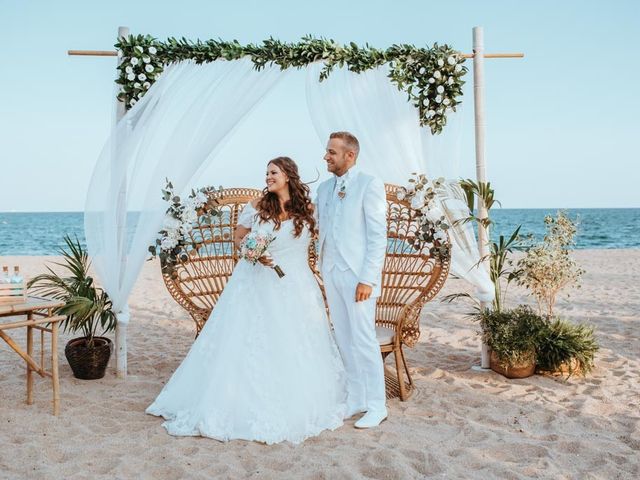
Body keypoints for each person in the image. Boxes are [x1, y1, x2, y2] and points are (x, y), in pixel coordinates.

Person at [147, 157, 347, 444]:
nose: (268, 177)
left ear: (288, 175)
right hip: (256, 282)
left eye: (273, 172)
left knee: (295, 341)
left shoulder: (308, 210)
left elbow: (326, 241)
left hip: (297, 285)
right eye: (266, 172)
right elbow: (239, 239)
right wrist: (252, 251)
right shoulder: (256, 207)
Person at [315, 131, 388, 429]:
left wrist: (368, 279)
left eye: (332, 152)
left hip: (358, 277)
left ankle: (377, 405)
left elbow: (377, 236)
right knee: (343, 337)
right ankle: (356, 397)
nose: (326, 157)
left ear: (350, 155)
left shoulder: (369, 184)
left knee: (363, 339)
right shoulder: (322, 189)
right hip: (331, 271)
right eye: (327, 151)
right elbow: (316, 224)